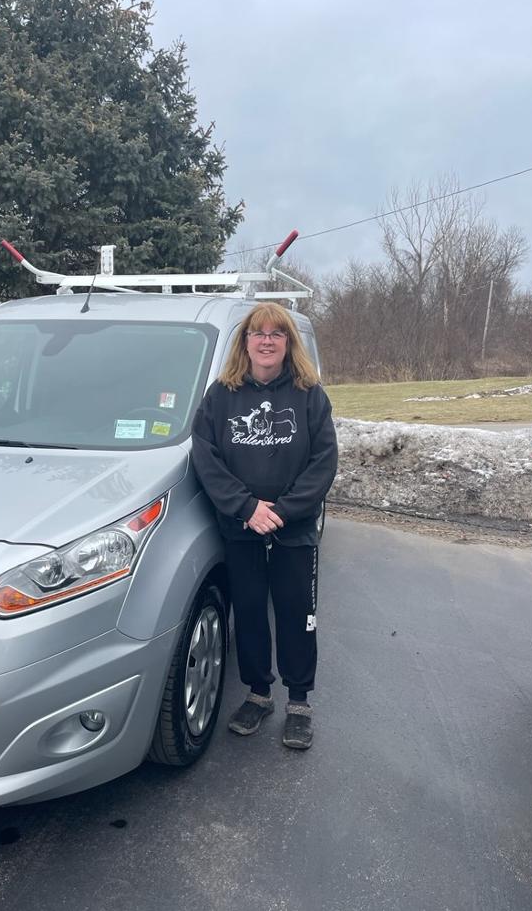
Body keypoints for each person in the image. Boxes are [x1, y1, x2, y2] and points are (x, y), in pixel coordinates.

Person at [191, 302, 338, 749]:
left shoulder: (309, 395)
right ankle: (258, 694)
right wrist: (246, 508)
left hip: (293, 532)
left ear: (288, 342)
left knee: (297, 615)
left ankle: (299, 702)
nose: (267, 340)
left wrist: (284, 511)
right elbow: (206, 457)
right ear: (246, 342)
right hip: (242, 529)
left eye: (277, 333)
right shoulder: (221, 395)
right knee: (251, 612)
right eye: (258, 333)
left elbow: (323, 462)